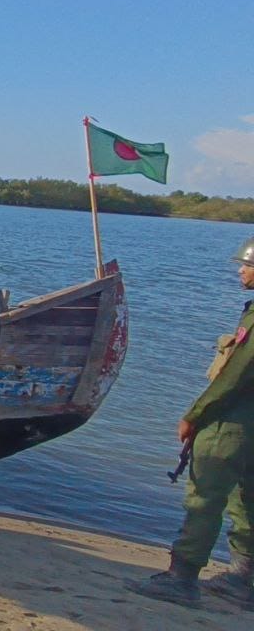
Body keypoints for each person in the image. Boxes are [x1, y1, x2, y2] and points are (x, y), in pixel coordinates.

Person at [128, 238, 254, 610]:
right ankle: (244, 578)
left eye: (246, 265)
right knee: (246, 500)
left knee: (204, 498)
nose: (240, 271)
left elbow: (235, 375)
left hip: (233, 422)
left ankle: (181, 579)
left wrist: (195, 415)